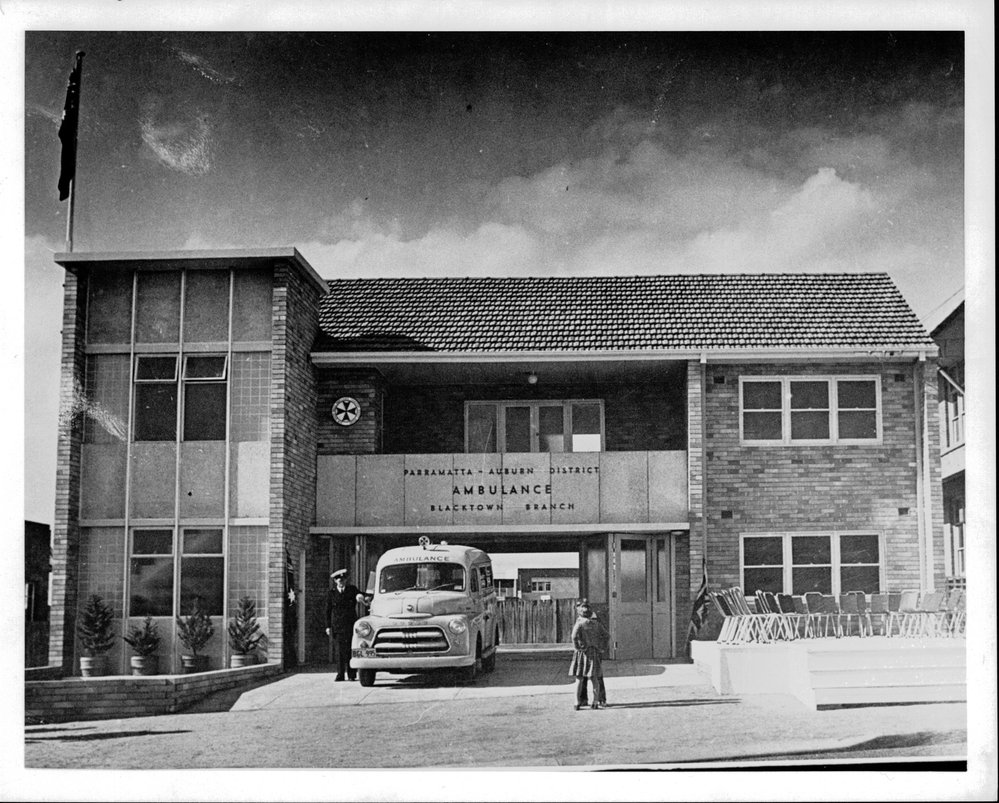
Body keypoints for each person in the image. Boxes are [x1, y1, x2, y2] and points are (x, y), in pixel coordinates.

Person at [325, 568, 366, 681]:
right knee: (339, 652)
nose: (341, 581)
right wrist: (328, 626)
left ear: (346, 580)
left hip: (350, 624)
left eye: (342, 579)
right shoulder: (331, 593)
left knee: (350, 650)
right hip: (337, 626)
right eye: (338, 579)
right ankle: (340, 674)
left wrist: (360, 596)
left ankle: (352, 674)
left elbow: (361, 595)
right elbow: (328, 611)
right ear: (335, 581)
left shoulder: (352, 590)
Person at [568, 599, 609, 710]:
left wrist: (577, 647)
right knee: (595, 677)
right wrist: (602, 648)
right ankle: (595, 701)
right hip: (594, 652)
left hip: (582, 653)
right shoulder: (596, 623)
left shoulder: (580, 622)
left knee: (580, 678)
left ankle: (578, 702)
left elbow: (573, 636)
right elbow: (606, 635)